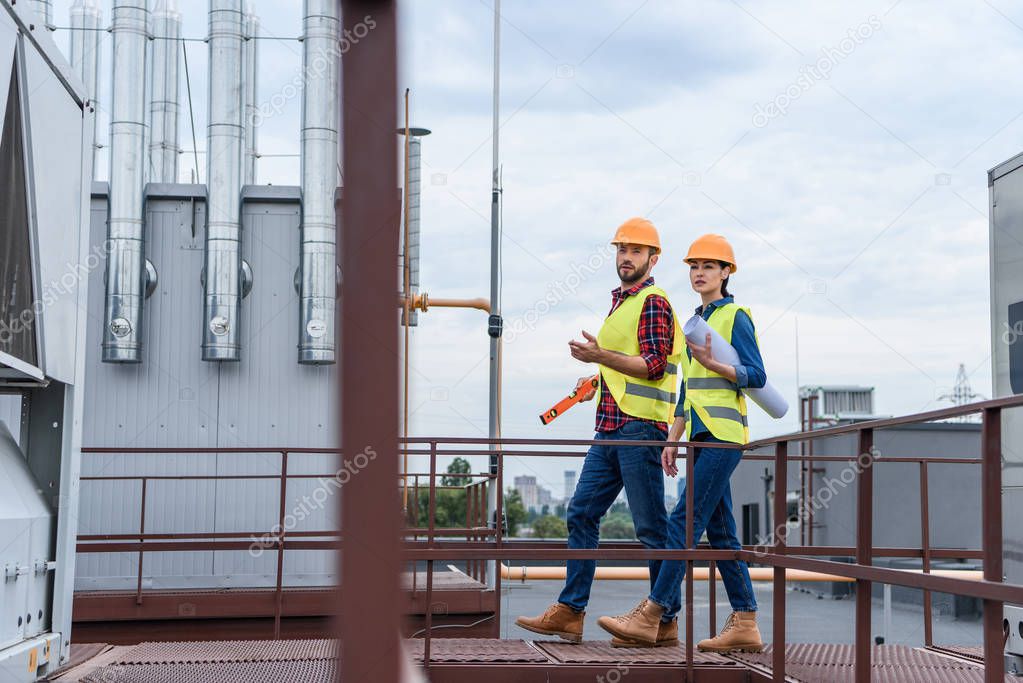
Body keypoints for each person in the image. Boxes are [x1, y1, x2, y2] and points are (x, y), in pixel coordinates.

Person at [515, 217, 684, 646]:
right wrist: (595, 380)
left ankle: (664, 620)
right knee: (581, 513)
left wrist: (599, 355)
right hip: (609, 427)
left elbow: (654, 365)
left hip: (639, 428)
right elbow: (622, 363)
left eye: (634, 251)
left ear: (653, 258)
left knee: (650, 527)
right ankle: (571, 612)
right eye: (621, 250)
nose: (625, 257)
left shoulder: (654, 302)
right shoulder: (621, 302)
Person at [596, 233, 767, 653]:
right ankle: (745, 622)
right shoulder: (695, 320)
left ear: (726, 273)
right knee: (723, 533)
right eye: (694, 266)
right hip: (699, 435)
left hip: (724, 436)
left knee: (681, 522)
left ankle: (654, 612)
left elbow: (757, 376)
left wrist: (719, 365)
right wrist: (672, 440)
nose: (699, 273)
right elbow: (688, 390)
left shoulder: (735, 316)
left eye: (709, 266)